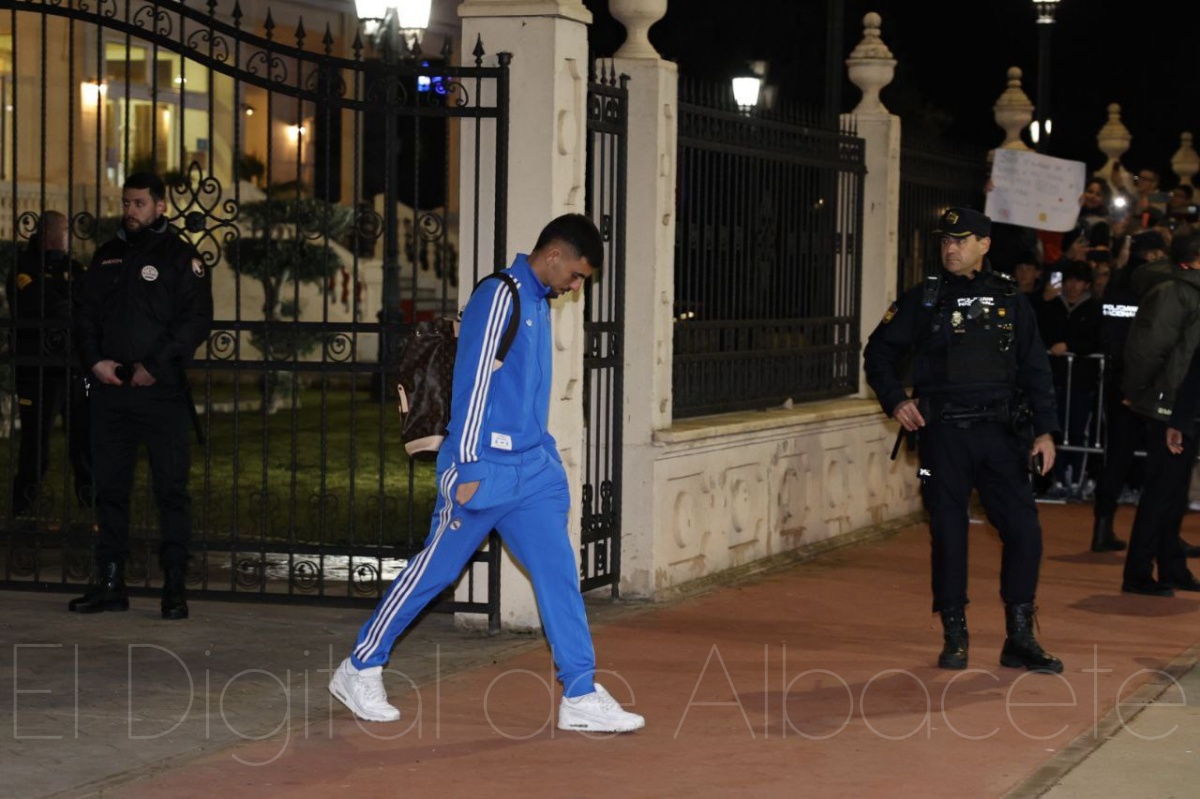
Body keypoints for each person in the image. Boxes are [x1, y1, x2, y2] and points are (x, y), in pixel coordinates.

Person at [328, 214, 645, 733]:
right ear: (554, 256)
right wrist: (469, 465)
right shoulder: (500, 296)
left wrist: (544, 453)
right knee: (435, 571)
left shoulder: (539, 301)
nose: (576, 287)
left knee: (559, 574)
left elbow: (524, 390)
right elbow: (472, 384)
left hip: (531, 472)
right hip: (483, 468)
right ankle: (359, 666)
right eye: (576, 275)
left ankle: (581, 693)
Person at [863, 207, 1063, 674]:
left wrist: (1045, 431)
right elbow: (878, 354)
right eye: (946, 241)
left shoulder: (1011, 299)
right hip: (945, 436)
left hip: (1001, 436)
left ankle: (1020, 638)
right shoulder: (925, 299)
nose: (950, 248)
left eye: (961, 240)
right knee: (949, 534)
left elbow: (1036, 369)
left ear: (984, 244)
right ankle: (955, 636)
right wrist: (896, 401)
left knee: (1025, 531)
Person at [70, 172, 213, 619]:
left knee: (171, 491)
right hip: (111, 393)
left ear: (160, 206)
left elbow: (195, 320)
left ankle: (174, 586)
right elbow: (84, 314)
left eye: (139, 203)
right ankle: (110, 582)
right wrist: (96, 361)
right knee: (110, 490)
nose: (130, 211)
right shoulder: (106, 256)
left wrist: (155, 366)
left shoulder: (180, 257)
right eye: (127, 203)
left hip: (161, 394)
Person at [1120, 229, 1200, 596]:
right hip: (1167, 405)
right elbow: (1148, 349)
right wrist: (1141, 394)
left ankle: (1172, 566)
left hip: (1185, 405)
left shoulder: (1188, 291)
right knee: (1160, 492)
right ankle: (1138, 572)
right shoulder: (1173, 292)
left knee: (1175, 492)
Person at [7, 210, 92, 516]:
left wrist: (67, 304)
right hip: (38, 370)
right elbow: (36, 304)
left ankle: (90, 502)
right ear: (53, 234)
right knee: (35, 443)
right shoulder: (25, 266)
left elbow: (88, 304)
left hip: (73, 368)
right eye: (66, 230)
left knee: (83, 440)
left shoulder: (73, 267)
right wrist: (66, 303)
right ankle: (22, 505)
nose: (69, 236)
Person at [1091, 231, 1168, 552]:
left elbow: (1107, 330)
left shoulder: (1117, 281)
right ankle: (1162, 534)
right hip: (1148, 382)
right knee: (1163, 457)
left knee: (1117, 456)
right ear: (1154, 254)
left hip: (1117, 377)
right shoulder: (1157, 283)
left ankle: (1102, 526)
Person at [1034, 260, 1102, 498]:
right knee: (1053, 429)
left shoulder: (1094, 309)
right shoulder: (1051, 307)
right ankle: (1057, 478)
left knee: (1078, 431)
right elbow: (1038, 333)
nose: (1073, 286)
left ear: (1087, 284)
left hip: (1082, 382)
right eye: (1069, 280)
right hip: (1054, 380)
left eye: (1079, 281)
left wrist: (1070, 346)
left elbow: (1098, 341)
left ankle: (1075, 480)